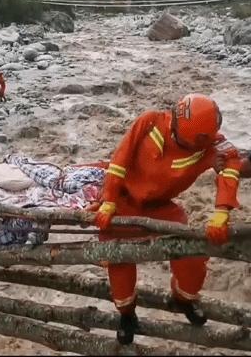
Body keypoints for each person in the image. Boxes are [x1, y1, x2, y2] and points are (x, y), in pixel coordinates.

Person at [94, 93, 242, 345]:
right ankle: (127, 315)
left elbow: (232, 164)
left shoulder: (211, 145)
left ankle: (183, 299)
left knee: (192, 254)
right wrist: (108, 199)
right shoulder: (149, 122)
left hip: (163, 207)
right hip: (124, 201)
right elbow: (120, 160)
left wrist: (222, 211)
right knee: (119, 260)